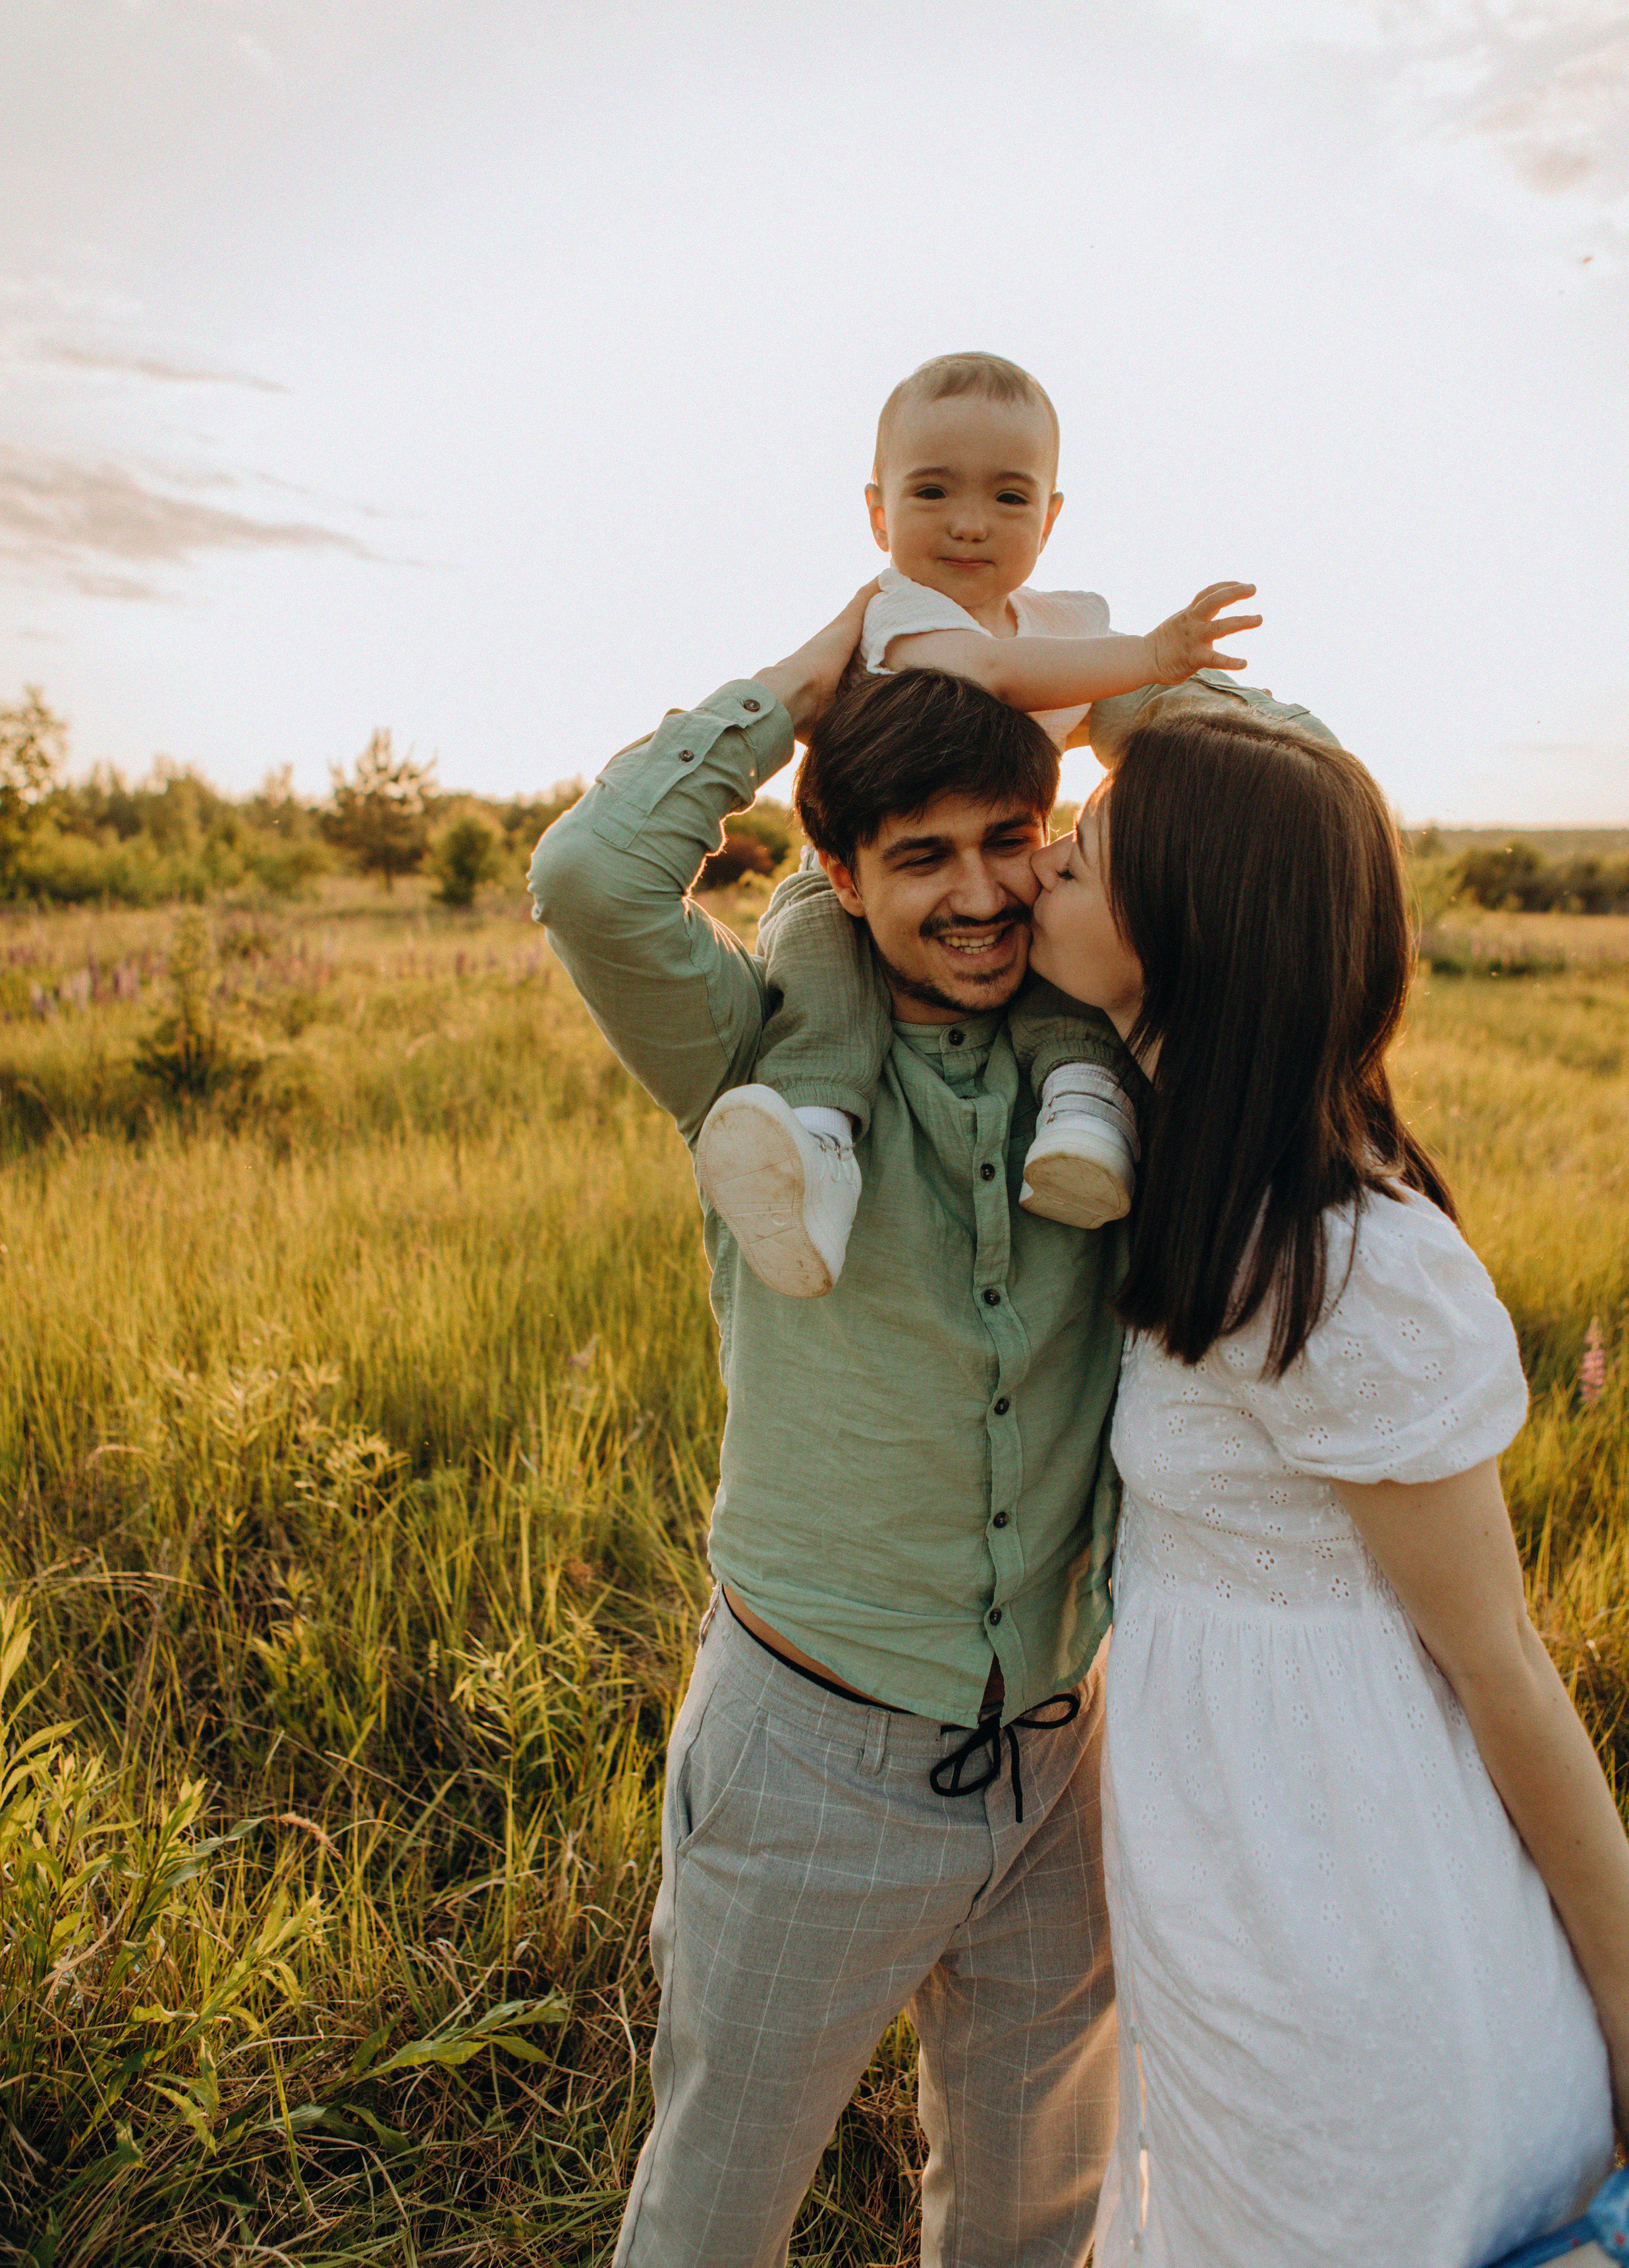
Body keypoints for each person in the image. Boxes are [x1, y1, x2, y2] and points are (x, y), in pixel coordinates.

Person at [530, 588, 1325, 2268]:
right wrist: (805, 681)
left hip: (1067, 1754)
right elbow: (590, 879)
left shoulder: (1116, 1040)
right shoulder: (748, 1048)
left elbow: (1307, 808)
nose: (976, 897)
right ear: (838, 874)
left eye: (1006, 843)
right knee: (712, 2219)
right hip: (811, 1756)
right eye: (919, 857)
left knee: (1033, 2227)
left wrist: (1096, 690)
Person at [1022, 704, 1629, 2268]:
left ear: (1183, 928)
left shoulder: (1349, 1264)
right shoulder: (1172, 1166)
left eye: (1075, 856)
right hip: (1223, 1877)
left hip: (1348, 1913)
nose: (1032, 873)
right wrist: (1117, 691)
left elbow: (1499, 1669)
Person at [694, 351, 1258, 1298]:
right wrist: (1153, 656)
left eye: (1008, 496)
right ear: (878, 513)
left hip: (992, 861)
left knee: (1046, 934)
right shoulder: (901, 616)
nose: (968, 523)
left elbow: (1098, 711)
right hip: (861, 880)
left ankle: (1084, 1121)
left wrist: (1165, 700)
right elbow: (999, 679)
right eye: (931, 491)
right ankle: (821, 1149)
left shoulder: (1056, 622)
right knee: (819, 975)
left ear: (1051, 515)